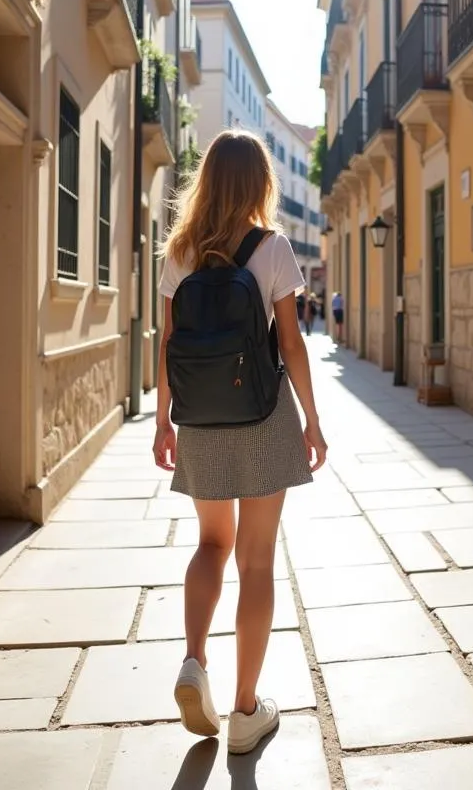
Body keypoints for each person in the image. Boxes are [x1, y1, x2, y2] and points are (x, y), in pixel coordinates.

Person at [153, 131, 328, 756]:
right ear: (258, 183)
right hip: (262, 415)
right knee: (256, 561)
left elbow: (168, 342)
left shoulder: (180, 250)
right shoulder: (273, 248)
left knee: (210, 544)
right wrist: (312, 418)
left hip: (200, 418)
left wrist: (162, 421)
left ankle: (194, 662)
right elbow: (291, 344)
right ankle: (246, 711)